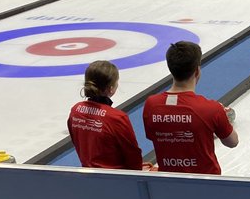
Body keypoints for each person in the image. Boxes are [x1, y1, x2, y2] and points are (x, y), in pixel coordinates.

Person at [143, 41, 238, 174]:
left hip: (168, 180)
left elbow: (155, 136)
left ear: (171, 68)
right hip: (206, 181)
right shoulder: (211, 108)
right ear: (197, 71)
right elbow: (232, 142)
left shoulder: (151, 105)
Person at [67, 60, 144, 170]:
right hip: (115, 177)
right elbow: (133, 157)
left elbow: (78, 143)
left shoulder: (76, 111)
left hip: (88, 174)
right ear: (111, 89)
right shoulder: (117, 118)